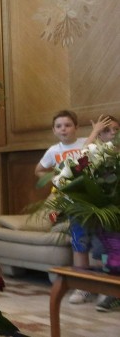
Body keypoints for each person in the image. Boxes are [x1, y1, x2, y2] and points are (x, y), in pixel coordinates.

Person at [35, 110, 94, 305]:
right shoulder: (54, 150)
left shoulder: (86, 143)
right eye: (59, 126)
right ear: (53, 130)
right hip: (72, 203)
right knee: (79, 242)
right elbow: (39, 169)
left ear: (76, 127)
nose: (63, 129)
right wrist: (55, 178)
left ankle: (106, 287)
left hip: (93, 200)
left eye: (68, 125)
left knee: (103, 242)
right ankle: (82, 287)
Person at [83, 114, 120, 312]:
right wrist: (94, 133)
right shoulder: (98, 151)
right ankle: (111, 292)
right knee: (105, 248)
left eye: (116, 129)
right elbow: (79, 160)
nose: (113, 133)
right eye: (106, 130)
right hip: (105, 211)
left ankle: (113, 293)